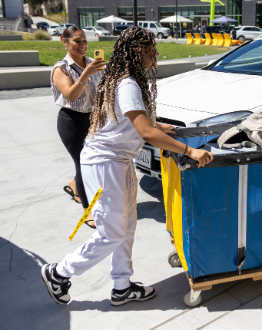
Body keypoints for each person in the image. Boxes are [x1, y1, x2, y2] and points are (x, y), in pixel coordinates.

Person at [41, 26, 214, 306]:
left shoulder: (124, 79)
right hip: (105, 163)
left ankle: (122, 286)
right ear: (137, 52)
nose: (156, 55)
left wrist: (159, 125)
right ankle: (59, 273)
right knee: (112, 233)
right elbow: (145, 133)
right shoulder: (128, 83)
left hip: (118, 161)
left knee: (128, 225)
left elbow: (130, 119)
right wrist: (190, 151)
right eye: (151, 50)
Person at [51, 26, 105, 228]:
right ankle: (87, 211)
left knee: (96, 162)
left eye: (84, 41)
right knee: (84, 164)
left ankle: (75, 184)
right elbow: (71, 95)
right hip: (71, 120)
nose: (83, 45)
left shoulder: (93, 63)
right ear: (64, 42)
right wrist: (86, 74)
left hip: (94, 119)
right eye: (77, 41)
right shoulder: (61, 68)